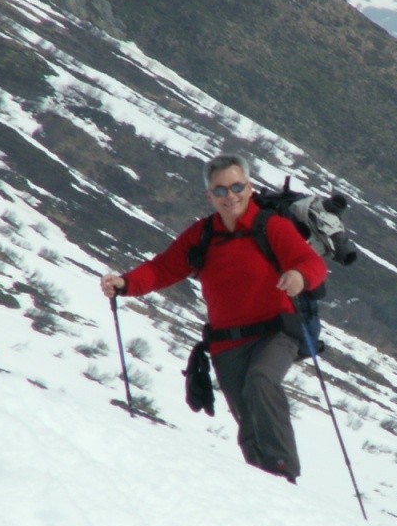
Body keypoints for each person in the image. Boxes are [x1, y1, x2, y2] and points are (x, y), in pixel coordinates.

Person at [101, 154, 328, 483]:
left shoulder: (271, 226)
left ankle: (283, 471)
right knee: (246, 416)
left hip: (277, 333)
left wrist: (299, 276)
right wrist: (126, 283)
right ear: (210, 196)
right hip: (227, 343)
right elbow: (164, 268)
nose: (230, 195)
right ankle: (263, 483)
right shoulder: (203, 235)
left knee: (261, 381)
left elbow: (313, 264)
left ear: (249, 188)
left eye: (237, 187)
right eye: (221, 190)